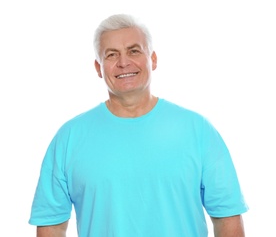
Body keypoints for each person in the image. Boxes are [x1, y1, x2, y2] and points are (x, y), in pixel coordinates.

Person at [29, 13, 249, 236]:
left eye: (134, 51)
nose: (124, 62)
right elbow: (52, 225)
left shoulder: (198, 130)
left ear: (152, 59)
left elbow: (227, 218)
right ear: (98, 68)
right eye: (112, 54)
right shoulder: (69, 138)